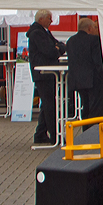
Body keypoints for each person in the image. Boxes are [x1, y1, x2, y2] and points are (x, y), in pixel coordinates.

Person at [28, 9, 66, 145]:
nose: (51, 20)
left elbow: (58, 45)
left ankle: (40, 133)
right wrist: (57, 48)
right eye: (49, 18)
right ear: (41, 19)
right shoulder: (37, 33)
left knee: (47, 104)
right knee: (50, 105)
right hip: (43, 74)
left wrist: (58, 47)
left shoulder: (44, 32)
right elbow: (50, 50)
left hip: (46, 73)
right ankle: (55, 135)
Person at [66, 18, 103, 119]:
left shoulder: (70, 41)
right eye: (95, 27)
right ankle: (93, 131)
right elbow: (98, 61)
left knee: (85, 106)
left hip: (77, 81)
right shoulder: (94, 40)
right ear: (90, 28)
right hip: (93, 80)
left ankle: (85, 129)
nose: (96, 30)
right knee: (95, 108)